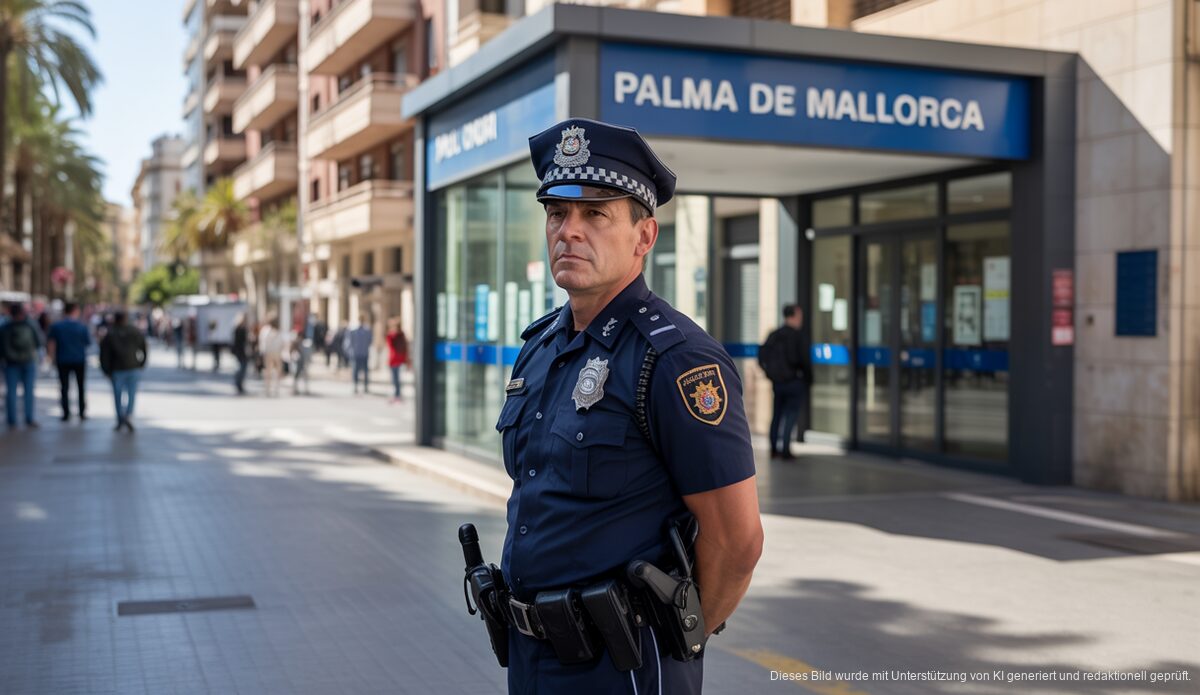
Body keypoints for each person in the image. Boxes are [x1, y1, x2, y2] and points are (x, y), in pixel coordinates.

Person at [486, 119, 763, 694]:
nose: (569, 231)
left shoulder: (677, 360)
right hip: (531, 658)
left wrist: (674, 638)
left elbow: (737, 541)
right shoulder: (540, 349)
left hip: (626, 669)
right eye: (557, 213)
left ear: (644, 237)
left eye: (595, 214)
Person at [759, 305, 812, 459]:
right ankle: (786, 450)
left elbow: (762, 355)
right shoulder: (798, 336)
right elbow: (805, 360)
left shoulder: (775, 335)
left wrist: (769, 374)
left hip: (778, 383)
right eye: (799, 316)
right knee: (790, 416)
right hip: (794, 381)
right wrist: (808, 379)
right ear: (794, 316)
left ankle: (774, 448)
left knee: (777, 415)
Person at [99, 311, 147, 433]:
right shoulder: (134, 331)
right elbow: (144, 347)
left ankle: (121, 418)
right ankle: (128, 415)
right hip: (132, 367)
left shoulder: (110, 334)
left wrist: (105, 369)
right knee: (131, 394)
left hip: (117, 369)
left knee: (117, 395)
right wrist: (141, 363)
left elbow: (103, 354)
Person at [1, 303, 44, 429]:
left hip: (11, 363)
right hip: (28, 361)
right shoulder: (30, 324)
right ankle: (29, 418)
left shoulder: (5, 326)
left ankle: (12, 420)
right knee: (28, 391)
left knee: (11, 392)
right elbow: (38, 342)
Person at [47, 301, 91, 421]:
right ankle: (81, 412)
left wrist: (51, 358)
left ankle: (66, 412)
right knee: (80, 387)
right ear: (75, 310)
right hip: (78, 360)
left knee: (64, 387)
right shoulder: (81, 326)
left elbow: (51, 343)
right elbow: (87, 342)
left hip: (63, 359)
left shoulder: (57, 326)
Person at [258, 317, 286, 398]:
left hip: (268, 352)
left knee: (268, 371)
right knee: (277, 371)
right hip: (276, 352)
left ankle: (268, 389)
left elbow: (262, 342)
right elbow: (282, 342)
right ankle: (276, 388)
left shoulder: (265, 330)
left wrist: (262, 352)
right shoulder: (278, 331)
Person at [345, 315, 373, 395]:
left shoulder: (367, 330)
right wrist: (349, 352)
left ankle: (366, 387)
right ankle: (356, 386)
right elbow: (348, 342)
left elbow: (370, 340)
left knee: (366, 371)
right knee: (355, 371)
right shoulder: (353, 330)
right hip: (356, 354)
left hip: (364, 353)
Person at [385, 318, 408, 403]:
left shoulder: (392, 335)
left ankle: (396, 394)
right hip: (400, 359)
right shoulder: (402, 335)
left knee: (395, 378)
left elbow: (390, 345)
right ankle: (397, 394)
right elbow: (405, 347)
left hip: (394, 359)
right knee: (397, 378)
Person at [232, 313, 249, 395]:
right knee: (241, 368)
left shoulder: (240, 328)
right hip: (240, 351)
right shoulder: (239, 329)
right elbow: (237, 342)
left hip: (240, 351)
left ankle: (239, 384)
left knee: (241, 368)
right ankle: (238, 384)